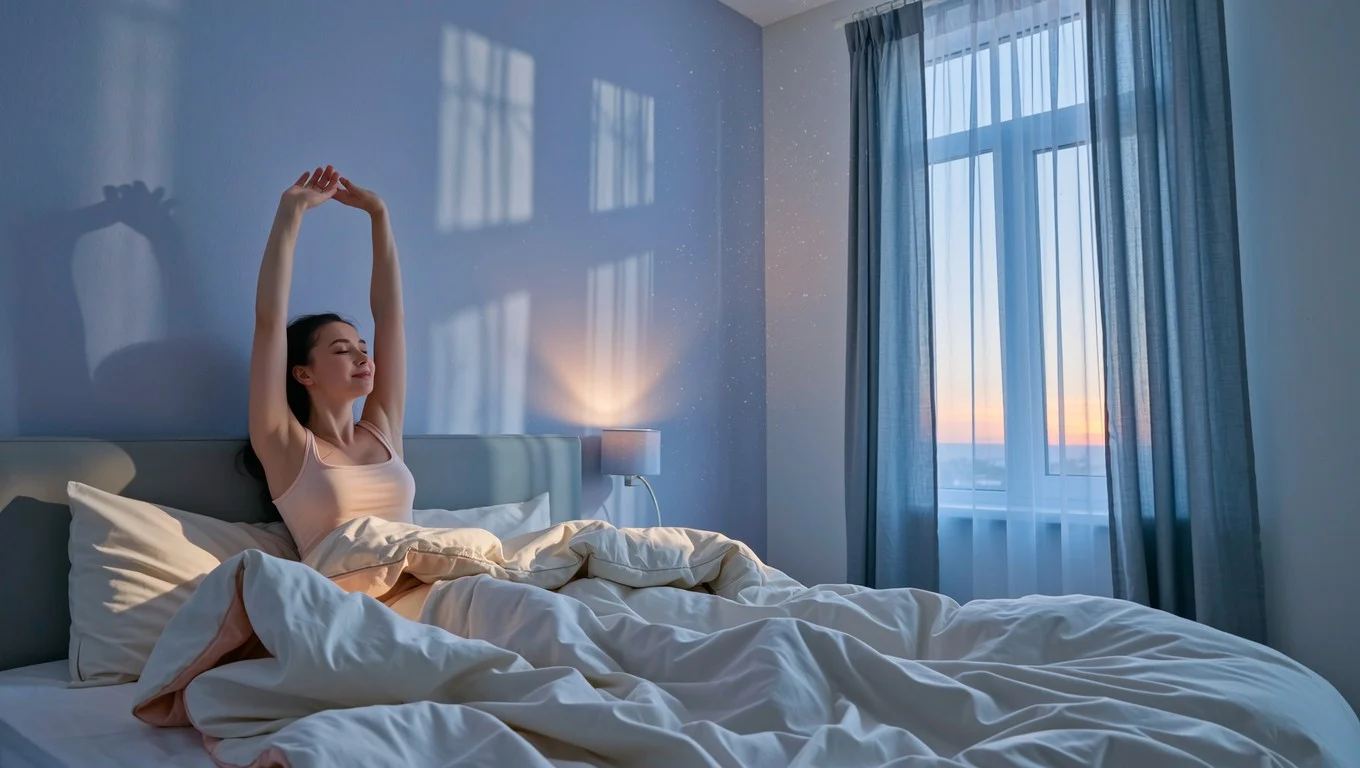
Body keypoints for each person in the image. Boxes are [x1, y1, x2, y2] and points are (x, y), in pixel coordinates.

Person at [241, 166, 414, 558]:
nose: (362, 357)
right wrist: (291, 212)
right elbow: (269, 323)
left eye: (362, 347)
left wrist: (379, 215)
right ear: (303, 373)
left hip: (423, 582)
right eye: (341, 350)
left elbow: (391, 316)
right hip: (347, 599)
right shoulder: (285, 444)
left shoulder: (383, 429)